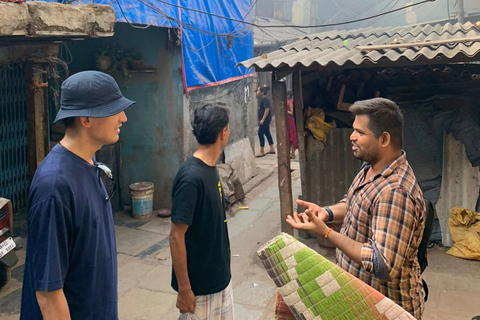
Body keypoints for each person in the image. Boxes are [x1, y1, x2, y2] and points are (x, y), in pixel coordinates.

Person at [287, 98, 426, 319]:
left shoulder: (395, 192)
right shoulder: (371, 168)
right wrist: (327, 213)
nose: (352, 137)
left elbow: (381, 264)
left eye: (360, 133)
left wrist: (326, 232)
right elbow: (354, 204)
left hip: (385, 309)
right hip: (361, 298)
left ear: (384, 139)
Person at [20, 71, 135, 320]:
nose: (123, 118)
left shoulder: (89, 162)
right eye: (115, 110)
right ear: (86, 119)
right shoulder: (55, 186)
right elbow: (48, 293)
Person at [170, 103, 234, 320]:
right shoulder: (191, 178)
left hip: (220, 279)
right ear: (223, 133)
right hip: (200, 290)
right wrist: (184, 289)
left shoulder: (210, 167)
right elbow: (176, 236)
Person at [255, 85, 275, 157]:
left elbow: (267, 109)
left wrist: (262, 119)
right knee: (267, 133)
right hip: (266, 119)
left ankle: (262, 150)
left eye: (258, 91)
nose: (257, 92)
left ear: (262, 92)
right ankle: (272, 148)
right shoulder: (263, 99)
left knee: (260, 133)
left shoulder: (264, 100)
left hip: (265, 120)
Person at [286, 90, 297, 159]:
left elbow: (292, 112)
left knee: (292, 137)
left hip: (290, 120)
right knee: (289, 137)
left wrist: (285, 110)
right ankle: (290, 152)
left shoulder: (290, 103)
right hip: (288, 120)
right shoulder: (288, 102)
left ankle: (293, 153)